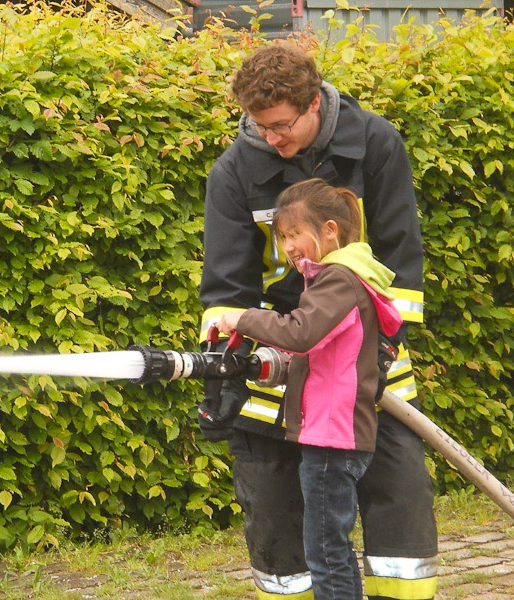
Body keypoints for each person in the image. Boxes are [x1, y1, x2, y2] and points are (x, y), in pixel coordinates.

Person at [198, 41, 438, 600]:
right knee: (274, 499)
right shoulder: (234, 172)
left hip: (365, 350)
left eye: (281, 125)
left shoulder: (373, 143)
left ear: (312, 104)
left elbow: (400, 255)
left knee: (399, 493)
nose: (270, 139)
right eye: (259, 127)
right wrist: (230, 365)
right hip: (281, 352)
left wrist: (378, 349)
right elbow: (228, 286)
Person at [215, 179, 402, 599]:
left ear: (330, 230)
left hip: (332, 436)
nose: (288, 246)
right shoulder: (341, 279)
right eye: (281, 237)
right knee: (331, 546)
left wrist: (242, 318)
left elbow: (300, 332)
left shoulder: (339, 280)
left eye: (294, 233)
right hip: (333, 433)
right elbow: (311, 345)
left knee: (324, 550)